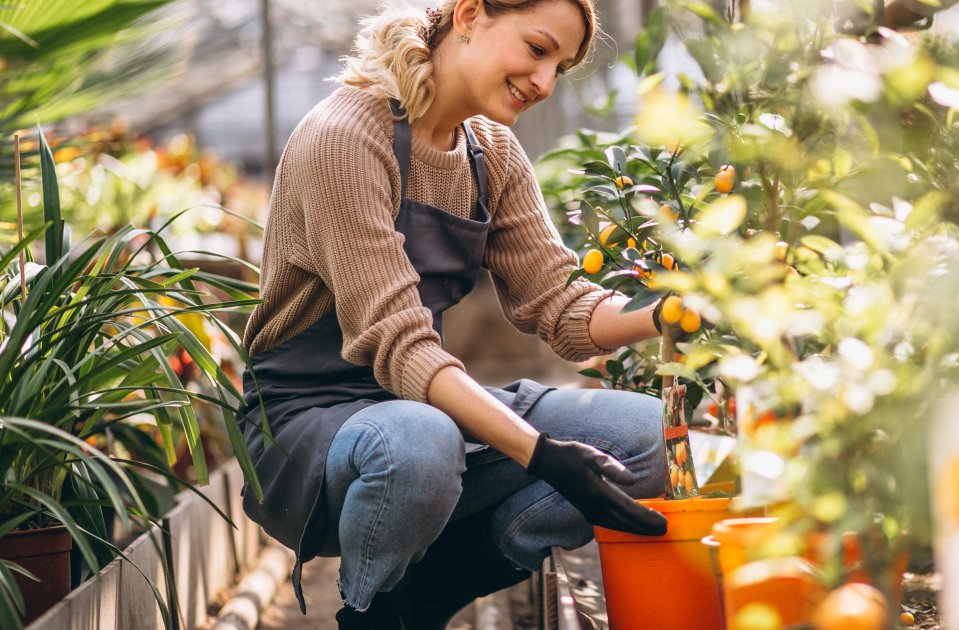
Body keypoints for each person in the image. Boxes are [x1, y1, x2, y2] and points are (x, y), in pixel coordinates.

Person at [236, 1, 670, 628]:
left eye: (562, 68)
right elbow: (403, 347)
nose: (545, 83)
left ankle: (430, 595)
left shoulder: (489, 150)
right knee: (420, 443)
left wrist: (669, 314)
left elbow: (560, 304)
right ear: (470, 14)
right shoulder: (345, 139)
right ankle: (371, 613)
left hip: (419, 406)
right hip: (307, 423)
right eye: (538, 49)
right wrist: (542, 453)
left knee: (644, 439)